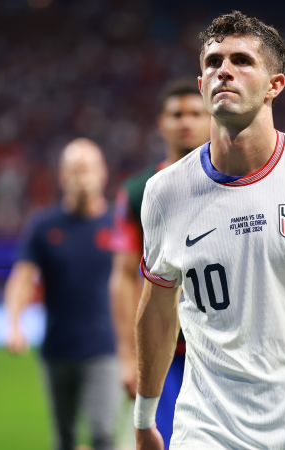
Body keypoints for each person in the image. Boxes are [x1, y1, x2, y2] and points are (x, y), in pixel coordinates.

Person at [133, 11, 285, 450]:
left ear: (275, 85)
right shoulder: (163, 194)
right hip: (205, 429)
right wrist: (143, 418)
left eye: (242, 60)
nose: (223, 70)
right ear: (201, 85)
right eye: (213, 62)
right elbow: (157, 307)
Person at [109, 78, 211, 448]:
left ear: (211, 117)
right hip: (166, 352)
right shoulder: (138, 192)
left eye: (196, 113)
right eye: (176, 114)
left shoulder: (235, 182)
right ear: (161, 123)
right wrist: (127, 354)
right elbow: (122, 276)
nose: (186, 121)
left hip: (221, 346)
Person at [4, 139, 119, 450]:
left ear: (103, 173)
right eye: (75, 170)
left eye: (88, 169)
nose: (82, 177)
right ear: (62, 175)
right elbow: (22, 278)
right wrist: (14, 324)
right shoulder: (43, 226)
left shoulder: (120, 224)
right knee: (64, 439)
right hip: (57, 349)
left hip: (106, 349)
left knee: (102, 436)